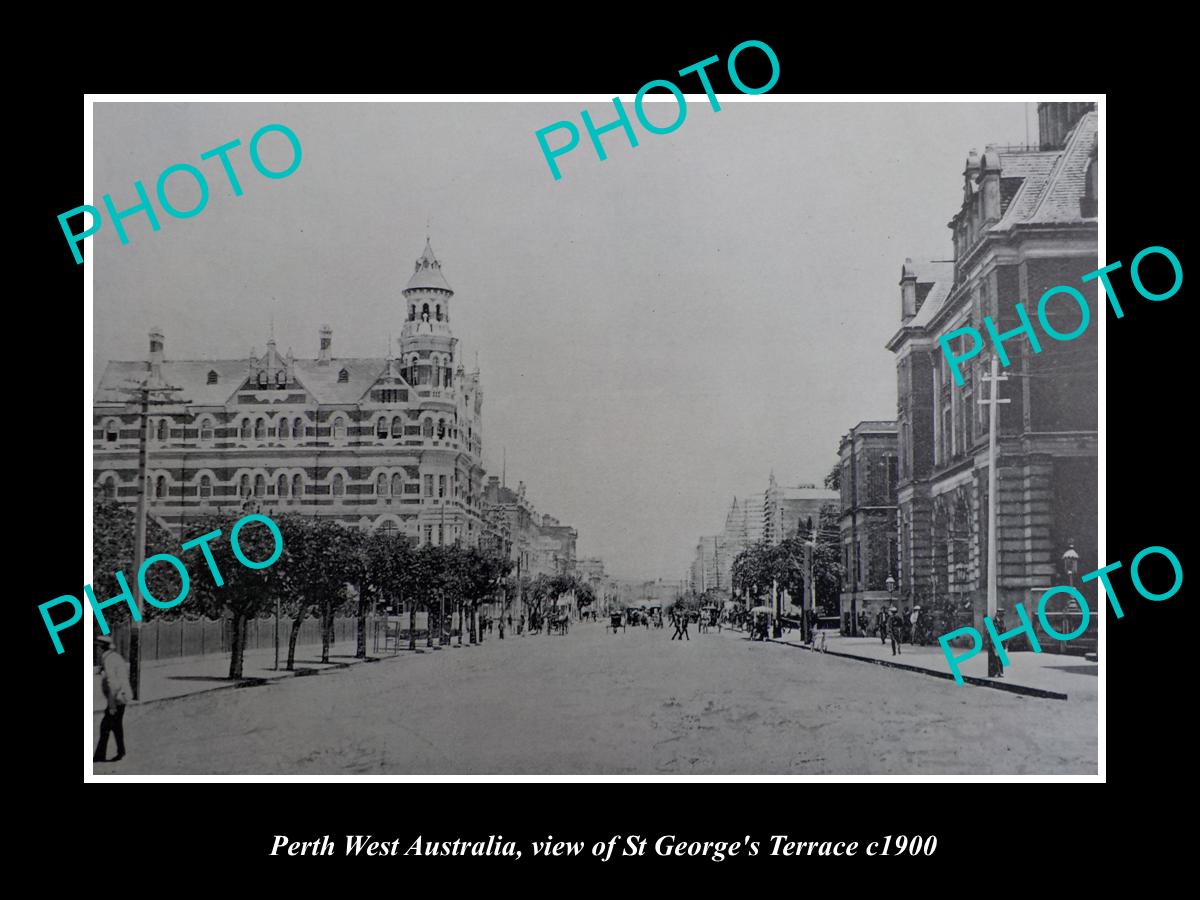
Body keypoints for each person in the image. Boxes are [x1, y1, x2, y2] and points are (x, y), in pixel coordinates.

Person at [94, 634, 132, 763]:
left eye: (97, 647)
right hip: (121, 696)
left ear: (102, 647)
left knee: (106, 726)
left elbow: (113, 683)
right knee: (115, 726)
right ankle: (120, 752)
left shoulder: (109, 660)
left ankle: (100, 755)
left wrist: (111, 705)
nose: (96, 650)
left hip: (117, 697)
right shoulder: (114, 657)